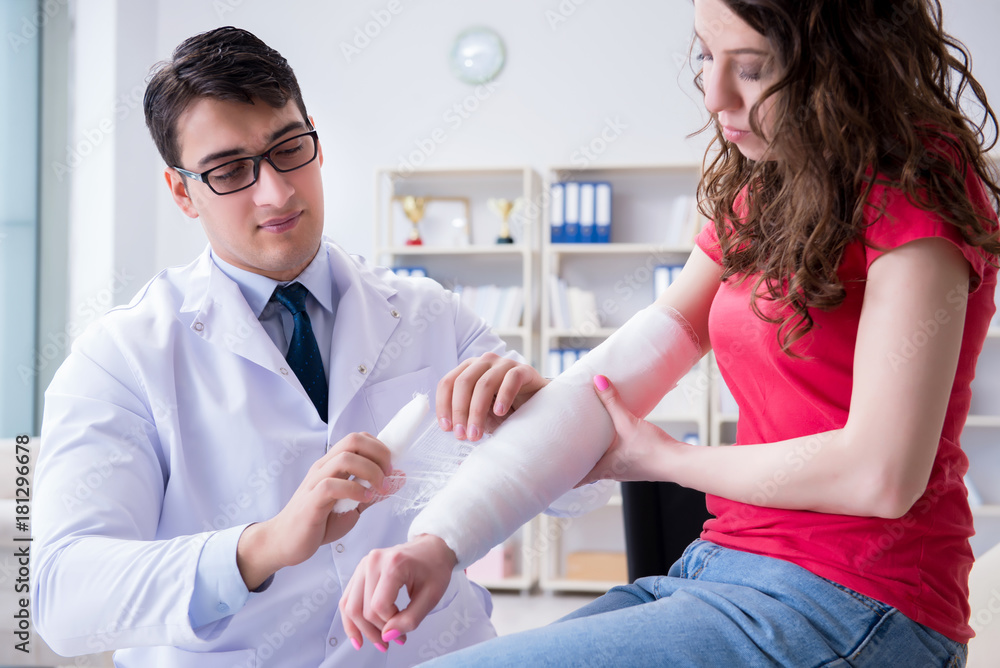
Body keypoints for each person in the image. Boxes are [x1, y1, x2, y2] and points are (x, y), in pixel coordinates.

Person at [339, 0, 1000, 665]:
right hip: (721, 565)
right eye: (707, 56)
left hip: (860, 599)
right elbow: (644, 350)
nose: (714, 95)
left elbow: (881, 474)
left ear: (845, 59)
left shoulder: (917, 186)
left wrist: (664, 459)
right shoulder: (767, 190)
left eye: (753, 67)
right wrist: (439, 542)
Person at [30, 26, 603, 668]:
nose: (275, 192)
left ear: (317, 146)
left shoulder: (428, 312)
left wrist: (549, 415)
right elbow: (64, 598)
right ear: (182, 192)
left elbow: (577, 495)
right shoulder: (122, 356)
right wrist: (263, 547)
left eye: (288, 149)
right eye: (228, 171)